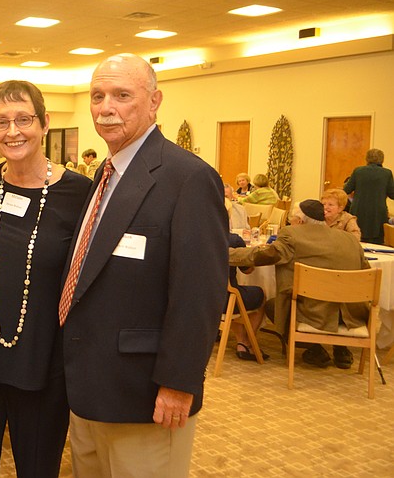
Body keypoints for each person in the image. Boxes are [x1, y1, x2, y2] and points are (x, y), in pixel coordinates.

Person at [58, 54, 226, 477]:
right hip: (90, 389)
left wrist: (179, 382)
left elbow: (199, 293)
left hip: (147, 396)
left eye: (122, 95)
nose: (106, 107)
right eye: (98, 96)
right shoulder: (106, 173)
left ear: (154, 102)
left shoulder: (187, 177)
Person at [0, 81, 91, 478]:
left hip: (43, 362)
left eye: (24, 119)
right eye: (1, 122)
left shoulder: (78, 192)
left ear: (45, 123)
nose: (13, 131)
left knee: (38, 469)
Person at [229, 200, 369, 369]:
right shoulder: (350, 239)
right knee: (330, 301)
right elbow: (366, 272)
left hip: (314, 316)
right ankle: (340, 348)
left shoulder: (292, 235)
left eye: (292, 219)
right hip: (351, 315)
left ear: (301, 222)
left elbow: (264, 255)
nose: (290, 223)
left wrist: (226, 253)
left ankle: (314, 347)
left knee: (275, 305)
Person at [228, 232, 267, 361]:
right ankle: (246, 342)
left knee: (235, 294)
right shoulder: (233, 240)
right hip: (226, 301)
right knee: (260, 294)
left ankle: (241, 340)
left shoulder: (196, 238)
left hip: (201, 300)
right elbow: (247, 270)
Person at [344, 148, 394, 244]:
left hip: (359, 210)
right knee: (377, 241)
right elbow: (392, 194)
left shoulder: (358, 171)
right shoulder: (387, 173)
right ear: (382, 159)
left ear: (367, 159)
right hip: (378, 212)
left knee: (357, 240)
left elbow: (347, 190)